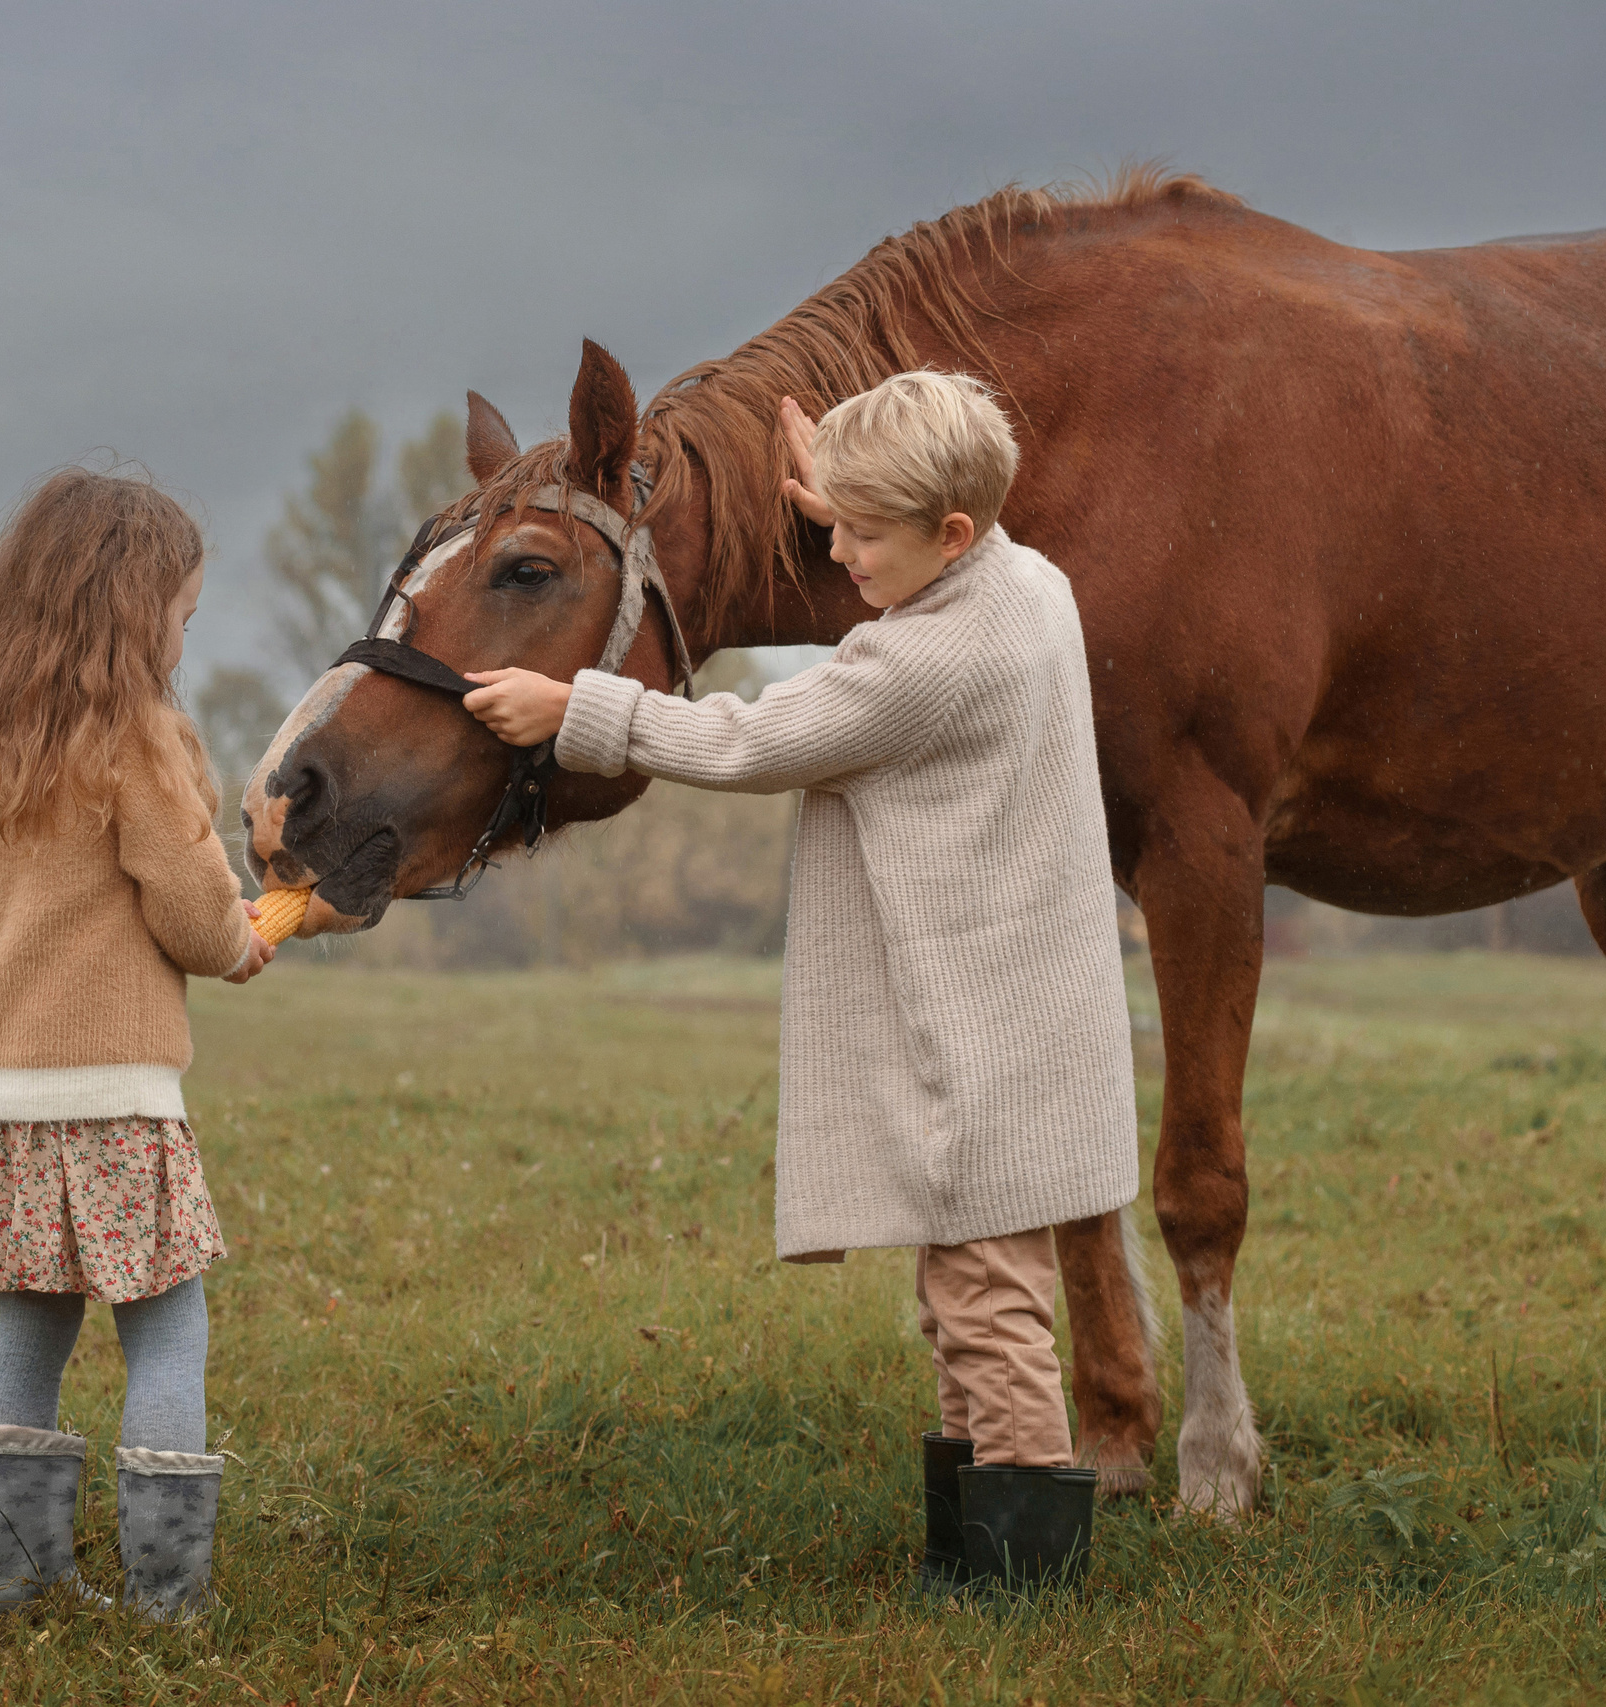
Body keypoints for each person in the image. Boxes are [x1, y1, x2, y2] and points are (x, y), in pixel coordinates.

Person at [462, 371, 1140, 1595]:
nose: (833, 549)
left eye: (857, 534)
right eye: (832, 520)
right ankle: (969, 1548)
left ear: (947, 534)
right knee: (964, 1293)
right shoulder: (1028, 583)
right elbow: (944, 530)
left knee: (987, 1305)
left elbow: (748, 740)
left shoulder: (922, 665)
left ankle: (1024, 1582)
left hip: (980, 1031)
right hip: (1018, 1009)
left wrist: (576, 706)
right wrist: (845, 473)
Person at [0, 467, 276, 1619]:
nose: (182, 634)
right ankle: (168, 1599)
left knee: (33, 1323)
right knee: (168, 1325)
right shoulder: (138, 736)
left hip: (6, 1093)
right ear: (136, 605)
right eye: (182, 611)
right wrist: (239, 939)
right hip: (117, 1095)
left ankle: (17, 1587)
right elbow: (186, 904)